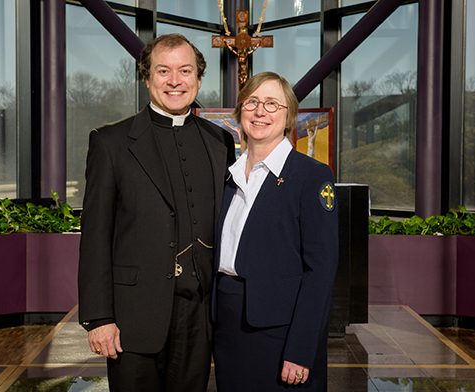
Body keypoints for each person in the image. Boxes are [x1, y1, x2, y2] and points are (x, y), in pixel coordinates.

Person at [78, 33, 235, 392]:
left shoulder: (220, 141)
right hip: (133, 315)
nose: (175, 81)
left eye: (185, 71)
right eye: (163, 71)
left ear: (198, 78)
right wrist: (99, 318)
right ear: (147, 78)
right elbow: (96, 236)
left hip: (199, 314)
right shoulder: (110, 142)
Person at [212, 72, 339, 391]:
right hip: (228, 326)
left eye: (272, 103)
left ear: (288, 116)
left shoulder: (310, 176)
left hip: (281, 331)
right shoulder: (226, 178)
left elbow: (320, 271)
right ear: (240, 111)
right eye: (252, 102)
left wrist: (301, 349)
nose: (260, 111)